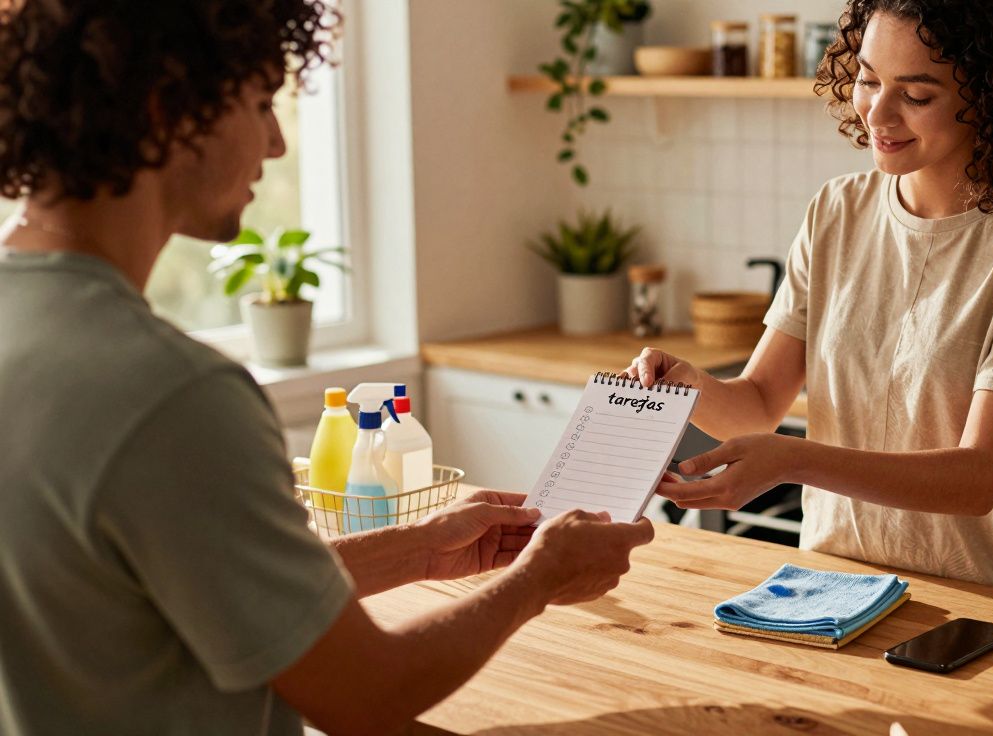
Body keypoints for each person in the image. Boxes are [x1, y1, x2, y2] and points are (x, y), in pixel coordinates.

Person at [0, 2, 653, 734]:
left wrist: (419, 551)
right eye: (260, 103)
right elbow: (365, 695)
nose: (277, 144)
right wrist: (538, 579)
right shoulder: (173, 396)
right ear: (168, 109)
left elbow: (186, 591)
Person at [625, 0, 993, 597]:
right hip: (828, 589)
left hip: (985, 603)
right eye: (869, 80)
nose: (878, 111)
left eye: (916, 95)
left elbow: (978, 479)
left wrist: (794, 460)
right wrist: (685, 386)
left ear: (991, 98)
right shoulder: (836, 211)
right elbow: (759, 402)